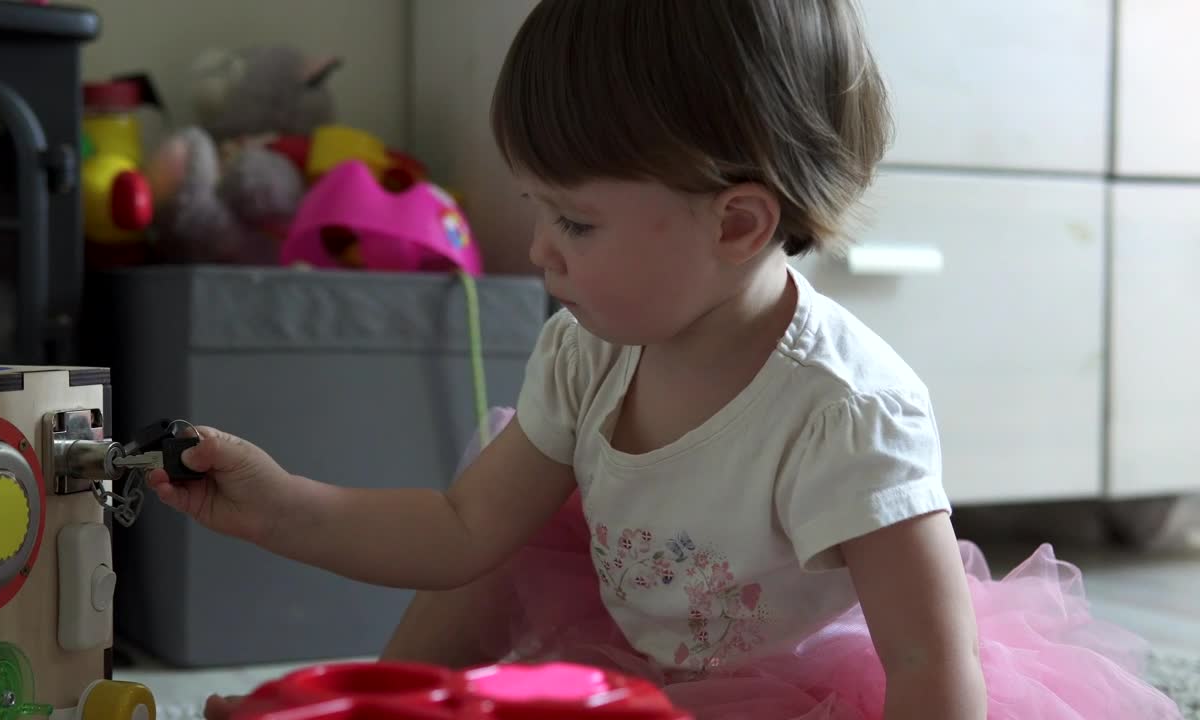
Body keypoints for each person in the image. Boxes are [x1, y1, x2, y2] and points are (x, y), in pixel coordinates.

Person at [149, 1, 1183, 718]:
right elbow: (461, 531)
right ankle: (374, 707)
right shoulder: (585, 352)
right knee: (507, 550)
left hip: (798, 689)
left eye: (574, 221)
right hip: (630, 647)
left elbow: (928, 662)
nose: (539, 250)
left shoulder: (845, 411)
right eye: (536, 208)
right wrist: (280, 506)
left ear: (736, 224)